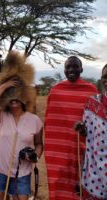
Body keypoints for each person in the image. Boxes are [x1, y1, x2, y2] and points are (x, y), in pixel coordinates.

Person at [44, 56, 98, 200]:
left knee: (80, 186)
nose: (71, 70)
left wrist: (84, 130)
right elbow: (50, 123)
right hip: (60, 149)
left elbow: (96, 122)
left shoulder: (91, 90)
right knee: (59, 183)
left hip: (83, 148)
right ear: (64, 70)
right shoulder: (55, 91)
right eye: (68, 67)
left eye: (75, 66)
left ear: (81, 69)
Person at [0, 79, 43, 200]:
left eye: (18, 95)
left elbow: (38, 144)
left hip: (22, 173)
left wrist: (35, 156)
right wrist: (4, 86)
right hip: (0, 171)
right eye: (10, 95)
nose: (14, 99)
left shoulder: (35, 120)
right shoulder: (2, 116)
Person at [74, 64, 107, 200]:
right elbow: (88, 136)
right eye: (105, 77)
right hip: (96, 171)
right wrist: (82, 130)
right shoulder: (92, 103)